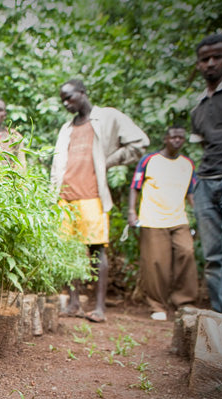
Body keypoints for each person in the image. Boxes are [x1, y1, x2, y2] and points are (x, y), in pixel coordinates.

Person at [51, 79, 149, 322]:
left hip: (92, 196)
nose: (66, 103)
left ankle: (99, 308)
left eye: (70, 97)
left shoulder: (106, 117)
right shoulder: (66, 128)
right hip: (65, 196)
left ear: (83, 93)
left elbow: (139, 143)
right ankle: (74, 303)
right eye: (62, 99)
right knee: (70, 252)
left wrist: (108, 161)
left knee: (96, 250)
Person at [128, 126, 198, 320]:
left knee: (187, 252)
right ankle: (157, 305)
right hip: (153, 219)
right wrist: (132, 212)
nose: (177, 140)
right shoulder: (149, 160)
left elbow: (191, 194)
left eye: (181, 137)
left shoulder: (187, 164)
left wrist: (199, 215)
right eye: (173, 137)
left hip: (179, 218)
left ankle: (184, 301)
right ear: (165, 139)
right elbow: (135, 186)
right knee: (156, 263)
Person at [190, 33, 222, 314]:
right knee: (212, 255)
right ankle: (220, 319)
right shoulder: (198, 108)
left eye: (217, 57)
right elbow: (204, 145)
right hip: (206, 182)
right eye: (205, 59)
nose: (211, 63)